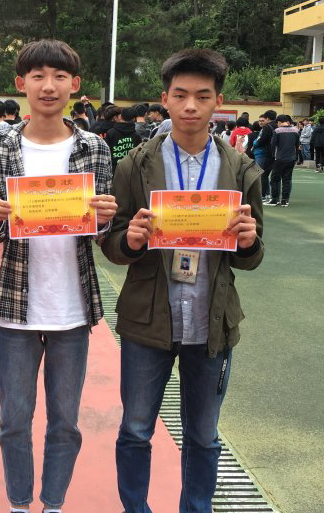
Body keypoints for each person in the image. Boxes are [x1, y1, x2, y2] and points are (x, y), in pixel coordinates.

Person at [101, 48, 263, 513]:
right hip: (147, 320)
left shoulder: (241, 169)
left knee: (203, 435)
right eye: (180, 95)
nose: (191, 106)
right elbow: (112, 243)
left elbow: (252, 256)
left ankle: (196, 508)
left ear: (219, 102)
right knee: (136, 430)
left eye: (202, 96)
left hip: (211, 324)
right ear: (165, 99)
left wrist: (248, 241)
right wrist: (131, 241)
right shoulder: (135, 165)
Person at [0, 39, 117, 513]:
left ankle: (54, 503)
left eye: (59, 76)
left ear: (75, 85)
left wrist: (105, 218)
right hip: (16, 307)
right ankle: (20, 503)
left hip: (72, 307)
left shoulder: (94, 148)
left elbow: (101, 233)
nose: (48, 86)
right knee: (13, 421)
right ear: (21, 84)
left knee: (65, 422)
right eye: (37, 76)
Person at [267, 115, 299, 207]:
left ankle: (275, 199)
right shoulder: (296, 130)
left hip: (279, 158)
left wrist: (272, 156)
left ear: (279, 122)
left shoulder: (277, 131)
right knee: (287, 179)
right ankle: (285, 200)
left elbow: (273, 144)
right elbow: (297, 145)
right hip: (291, 158)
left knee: (275, 179)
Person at [105, 106, 142, 172]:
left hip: (114, 170)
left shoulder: (111, 133)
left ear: (120, 117)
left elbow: (106, 153)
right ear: (134, 119)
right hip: (130, 170)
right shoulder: (136, 135)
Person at [255, 110, 277, 200]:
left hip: (267, 153)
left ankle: (263, 195)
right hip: (277, 153)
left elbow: (261, 140)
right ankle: (272, 195)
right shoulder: (278, 126)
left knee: (263, 175)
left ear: (267, 118)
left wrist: (255, 144)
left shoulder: (267, 127)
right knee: (275, 176)